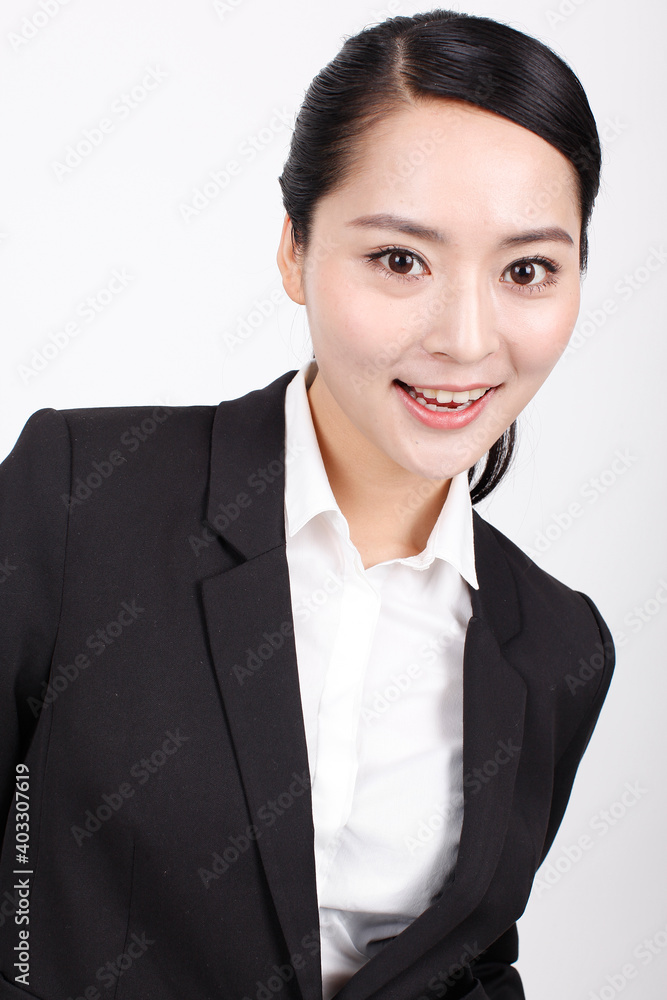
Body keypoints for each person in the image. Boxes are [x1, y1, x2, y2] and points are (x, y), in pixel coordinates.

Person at [0, 9, 615, 1000]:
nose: (466, 338)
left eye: (526, 269)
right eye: (399, 259)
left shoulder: (556, 643)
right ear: (294, 250)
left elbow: (468, 963)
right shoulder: (81, 492)